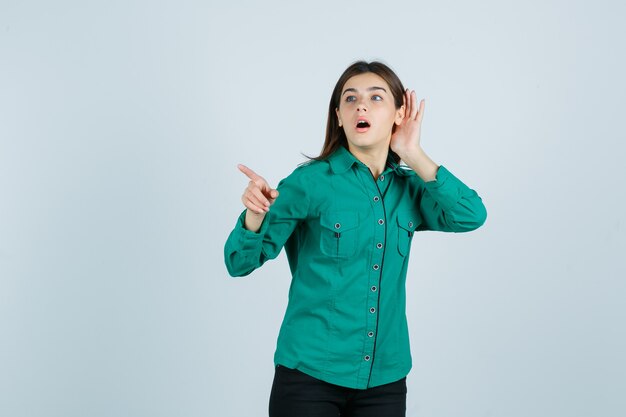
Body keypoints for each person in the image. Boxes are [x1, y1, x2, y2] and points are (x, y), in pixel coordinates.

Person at [224, 61, 487, 417]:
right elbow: (239, 263)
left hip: (385, 380)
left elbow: (470, 215)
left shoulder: (411, 188)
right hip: (309, 378)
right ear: (339, 116)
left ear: (399, 113)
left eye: (376, 98)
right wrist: (254, 217)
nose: (360, 106)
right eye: (350, 99)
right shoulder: (309, 183)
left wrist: (412, 152)